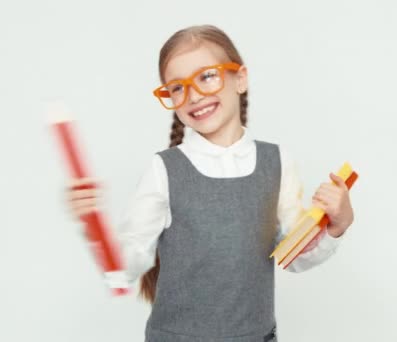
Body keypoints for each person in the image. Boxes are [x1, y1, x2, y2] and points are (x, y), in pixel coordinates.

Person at [66, 24, 355, 341]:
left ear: (240, 79)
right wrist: (91, 224)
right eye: (177, 87)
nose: (193, 95)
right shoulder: (165, 169)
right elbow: (126, 266)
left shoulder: (277, 161)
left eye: (206, 76)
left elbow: (294, 256)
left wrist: (335, 226)